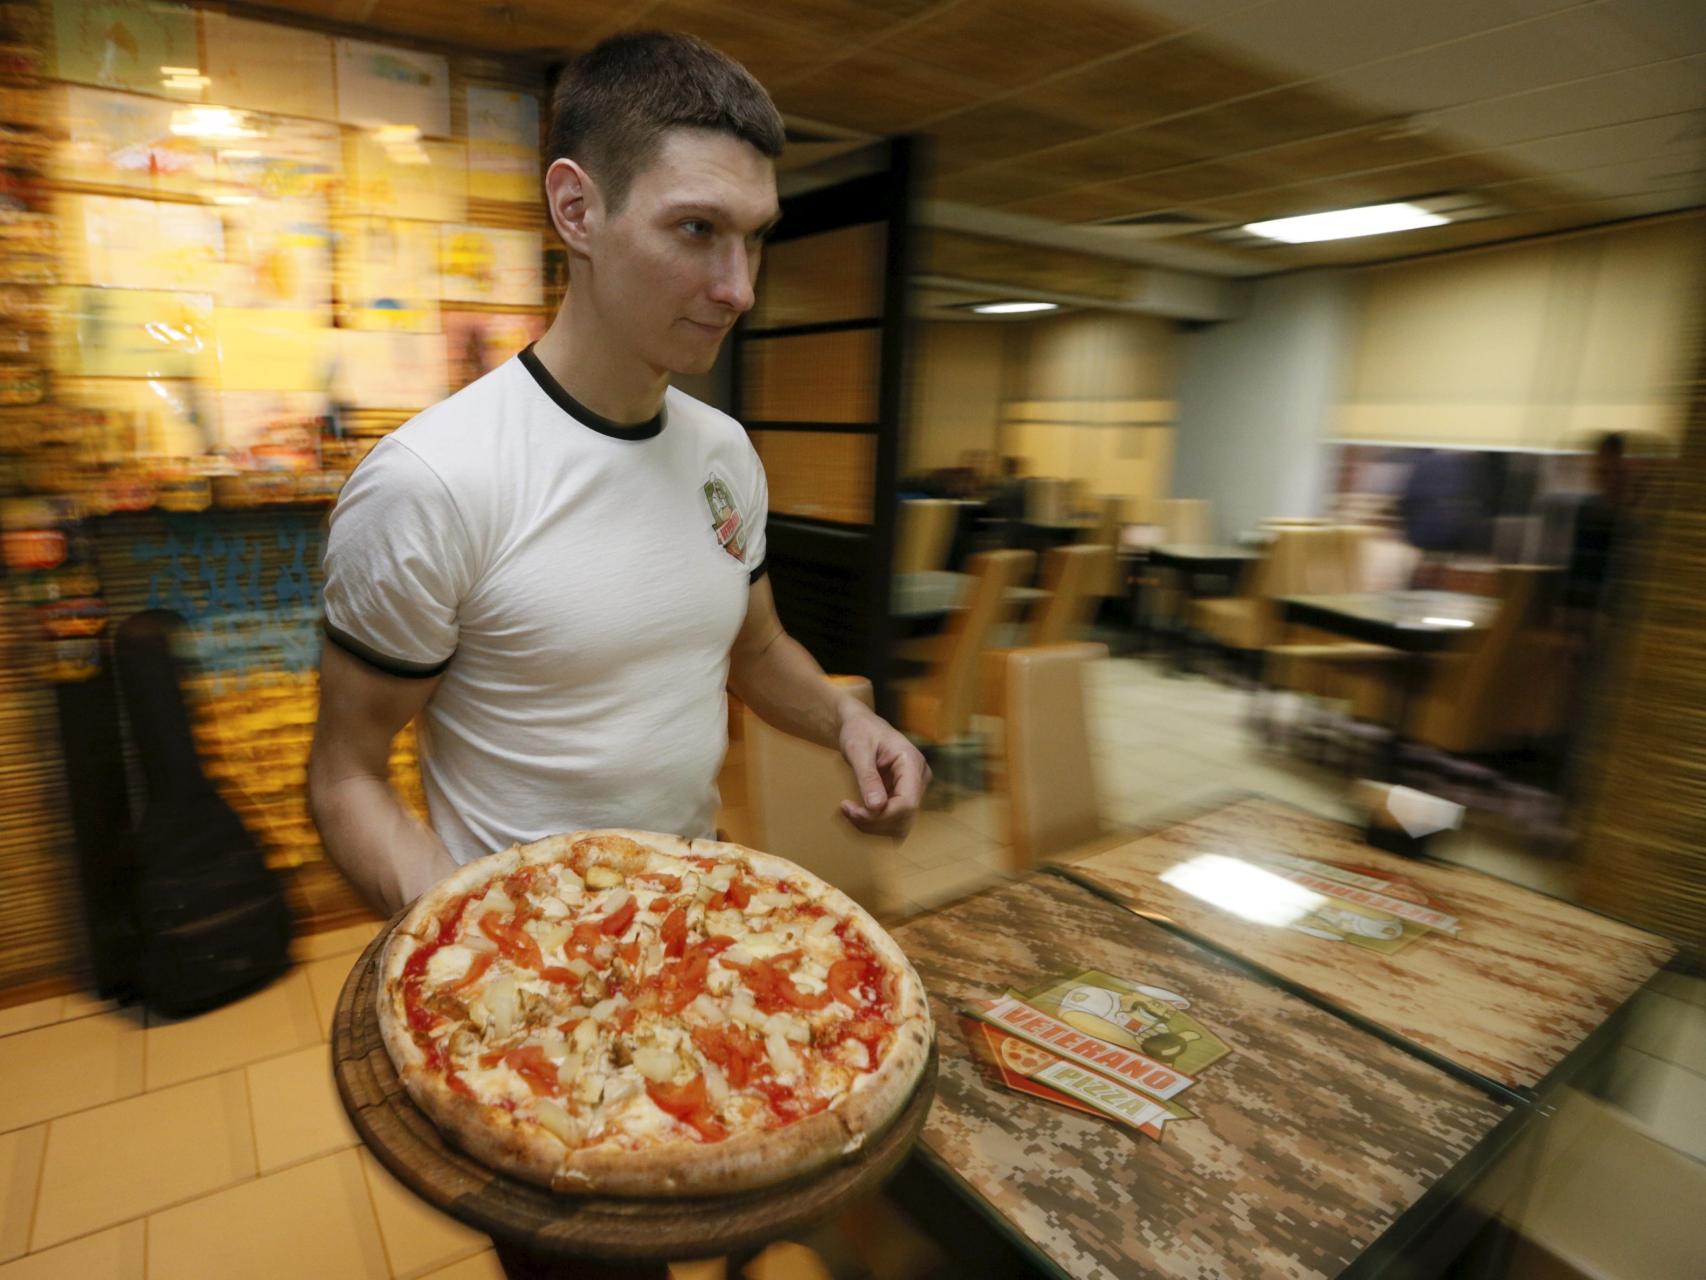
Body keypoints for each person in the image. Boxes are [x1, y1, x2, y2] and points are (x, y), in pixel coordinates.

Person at [307, 33, 929, 915]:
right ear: (576, 209)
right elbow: (347, 777)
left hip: (691, 926)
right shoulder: (431, 482)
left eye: (754, 239)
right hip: (521, 950)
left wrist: (848, 720)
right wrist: (457, 929)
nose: (740, 287)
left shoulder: (724, 454)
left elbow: (752, 650)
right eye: (697, 229)